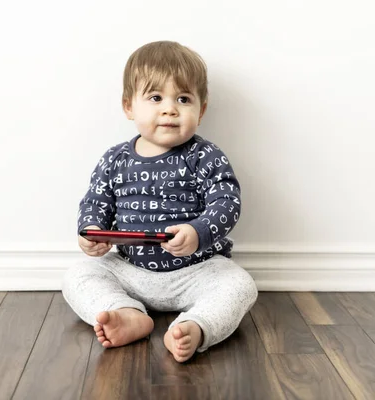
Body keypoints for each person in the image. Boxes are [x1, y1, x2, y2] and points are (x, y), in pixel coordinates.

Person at [61, 41, 258, 363]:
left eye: (183, 99)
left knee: (240, 285)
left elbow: (227, 203)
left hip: (197, 270)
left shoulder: (205, 156)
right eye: (155, 98)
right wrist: (92, 231)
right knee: (78, 274)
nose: (170, 109)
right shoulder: (115, 159)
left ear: (201, 109)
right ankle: (125, 313)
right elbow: (96, 200)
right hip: (129, 270)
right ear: (129, 107)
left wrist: (197, 232)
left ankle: (196, 326)